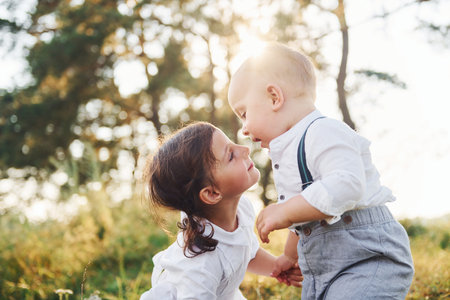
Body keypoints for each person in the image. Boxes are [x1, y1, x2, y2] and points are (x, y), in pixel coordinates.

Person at [227, 42, 414, 299]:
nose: (244, 129)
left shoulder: (323, 131)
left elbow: (347, 185)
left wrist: (285, 210)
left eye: (244, 113)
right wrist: (288, 257)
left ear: (274, 97)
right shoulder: (289, 152)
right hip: (325, 271)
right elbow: (306, 218)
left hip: (368, 260)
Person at [140, 122, 302, 300]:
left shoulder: (242, 208)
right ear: (211, 193)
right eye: (231, 155)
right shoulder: (200, 267)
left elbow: (246, 253)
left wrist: (276, 266)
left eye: (233, 143)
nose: (244, 148)